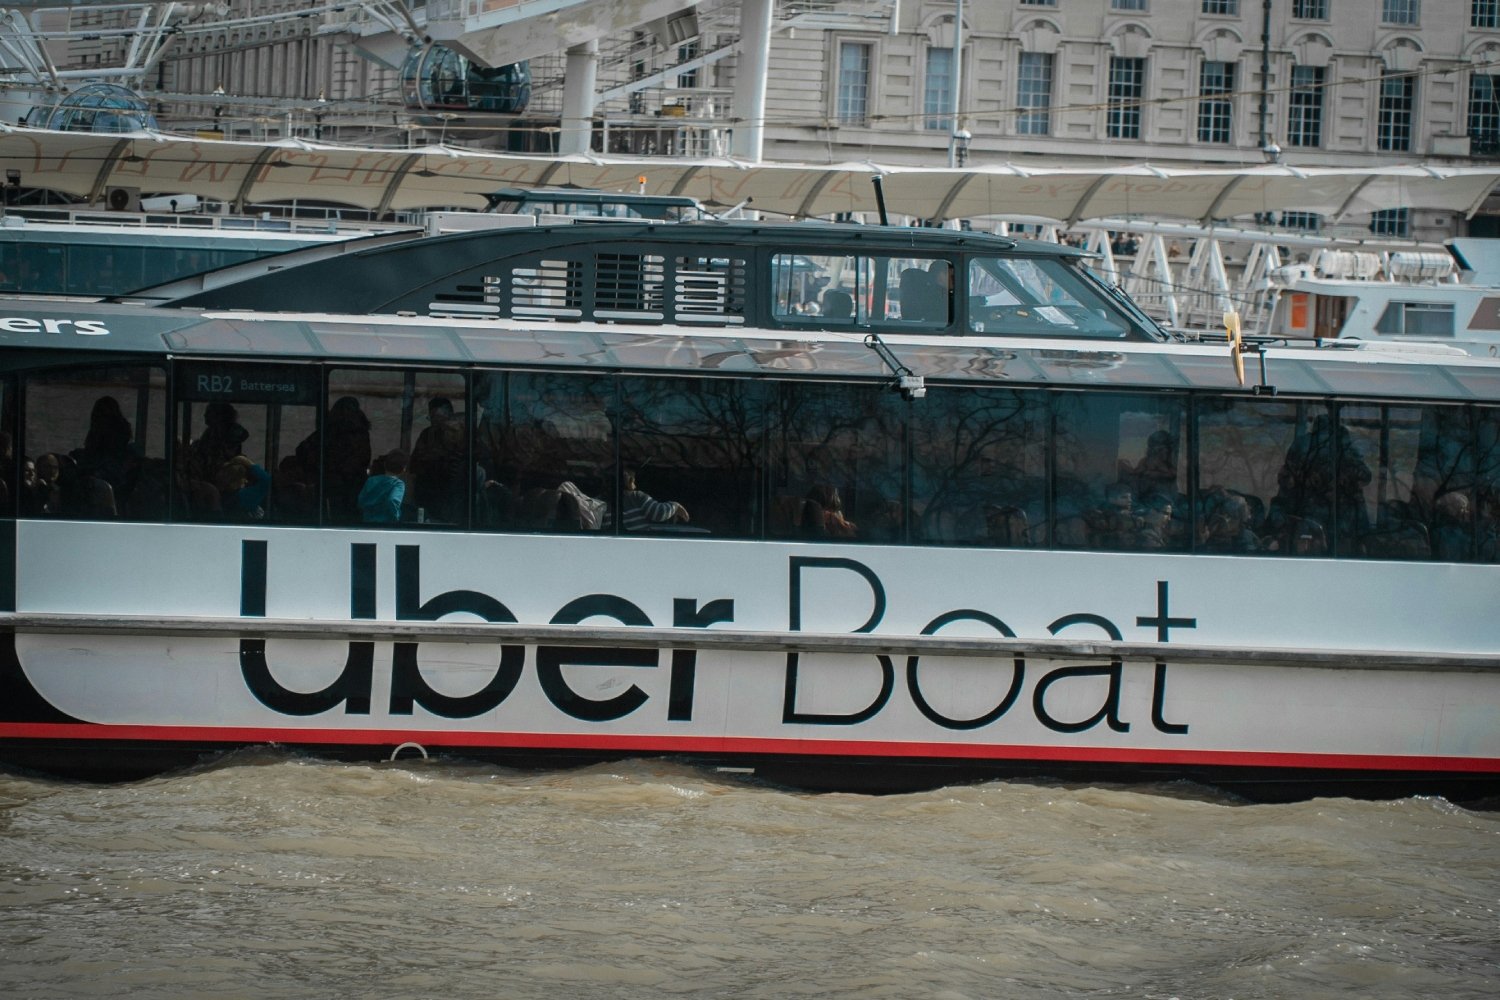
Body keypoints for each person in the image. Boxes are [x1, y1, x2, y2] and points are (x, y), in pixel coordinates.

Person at [297, 396, 372, 522]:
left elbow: (302, 450)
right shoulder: (361, 432)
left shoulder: (329, 431)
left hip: (332, 483)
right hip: (355, 484)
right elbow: (364, 459)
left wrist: (318, 469)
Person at [408, 397, 465, 522]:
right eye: (432, 418)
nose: (436, 423)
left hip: (453, 488)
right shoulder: (427, 435)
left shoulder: (462, 435)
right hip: (429, 487)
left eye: (439, 418)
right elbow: (415, 463)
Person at [620, 468, 688, 531]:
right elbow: (659, 513)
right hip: (639, 541)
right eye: (634, 481)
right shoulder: (636, 496)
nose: (635, 485)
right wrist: (675, 506)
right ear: (630, 482)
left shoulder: (611, 500)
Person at [358, 450, 407, 523]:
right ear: (404, 469)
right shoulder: (398, 484)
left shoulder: (371, 480)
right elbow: (392, 500)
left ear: (384, 465)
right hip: (386, 524)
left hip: (367, 521)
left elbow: (360, 500)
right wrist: (396, 516)